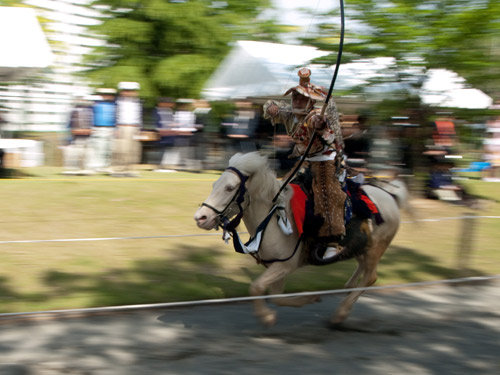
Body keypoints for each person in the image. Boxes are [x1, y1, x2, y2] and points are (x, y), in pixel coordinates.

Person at [263, 67, 346, 259]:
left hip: (325, 162)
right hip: (303, 162)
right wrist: (270, 107)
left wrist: (320, 124)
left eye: (301, 98)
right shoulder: (289, 114)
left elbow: (322, 125)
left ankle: (333, 243)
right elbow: (270, 105)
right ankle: (284, 227)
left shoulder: (314, 115)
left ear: (310, 101)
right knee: (280, 188)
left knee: (327, 194)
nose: (297, 101)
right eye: (295, 98)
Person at [113, 81, 143, 177]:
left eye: (131, 91)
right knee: (121, 149)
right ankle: (118, 170)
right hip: (122, 127)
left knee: (133, 150)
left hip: (134, 128)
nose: (128, 93)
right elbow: (114, 116)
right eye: (126, 91)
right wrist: (115, 128)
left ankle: (130, 169)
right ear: (122, 91)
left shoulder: (138, 102)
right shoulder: (117, 102)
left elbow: (139, 116)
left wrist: (139, 129)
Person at [62, 95, 94, 175]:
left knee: (86, 153)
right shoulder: (71, 110)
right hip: (75, 136)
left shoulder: (90, 110)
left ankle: (85, 169)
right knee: (73, 153)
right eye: (79, 98)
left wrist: (89, 130)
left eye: (82, 98)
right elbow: (68, 124)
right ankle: (72, 169)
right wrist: (73, 131)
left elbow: (92, 122)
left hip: (87, 136)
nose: (80, 100)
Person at [88, 88, 117, 173]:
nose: (107, 96)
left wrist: (116, 128)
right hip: (98, 128)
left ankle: (106, 166)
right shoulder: (95, 104)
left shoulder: (114, 105)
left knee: (108, 149)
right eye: (105, 94)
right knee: (98, 148)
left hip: (111, 128)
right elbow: (90, 115)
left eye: (109, 95)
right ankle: (96, 166)